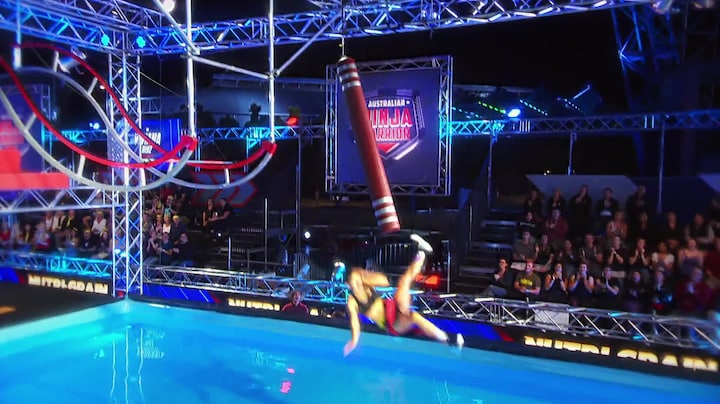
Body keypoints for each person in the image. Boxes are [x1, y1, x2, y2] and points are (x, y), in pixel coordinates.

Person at [343, 234, 464, 356]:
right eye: (355, 282)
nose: (358, 284)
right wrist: (354, 341)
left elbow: (385, 281)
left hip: (392, 307)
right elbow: (354, 321)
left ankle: (422, 252)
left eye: (359, 280)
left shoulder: (368, 287)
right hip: (391, 323)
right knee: (413, 316)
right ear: (348, 285)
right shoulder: (352, 301)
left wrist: (365, 276)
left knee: (404, 281)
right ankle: (449, 340)